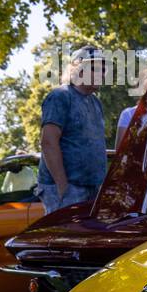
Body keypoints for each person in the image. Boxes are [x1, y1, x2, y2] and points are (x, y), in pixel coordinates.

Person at [37, 46, 108, 216]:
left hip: (92, 190)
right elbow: (48, 142)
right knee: (64, 240)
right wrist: (63, 186)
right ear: (77, 69)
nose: (102, 73)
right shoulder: (60, 96)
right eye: (95, 68)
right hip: (67, 190)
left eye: (104, 69)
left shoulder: (96, 103)